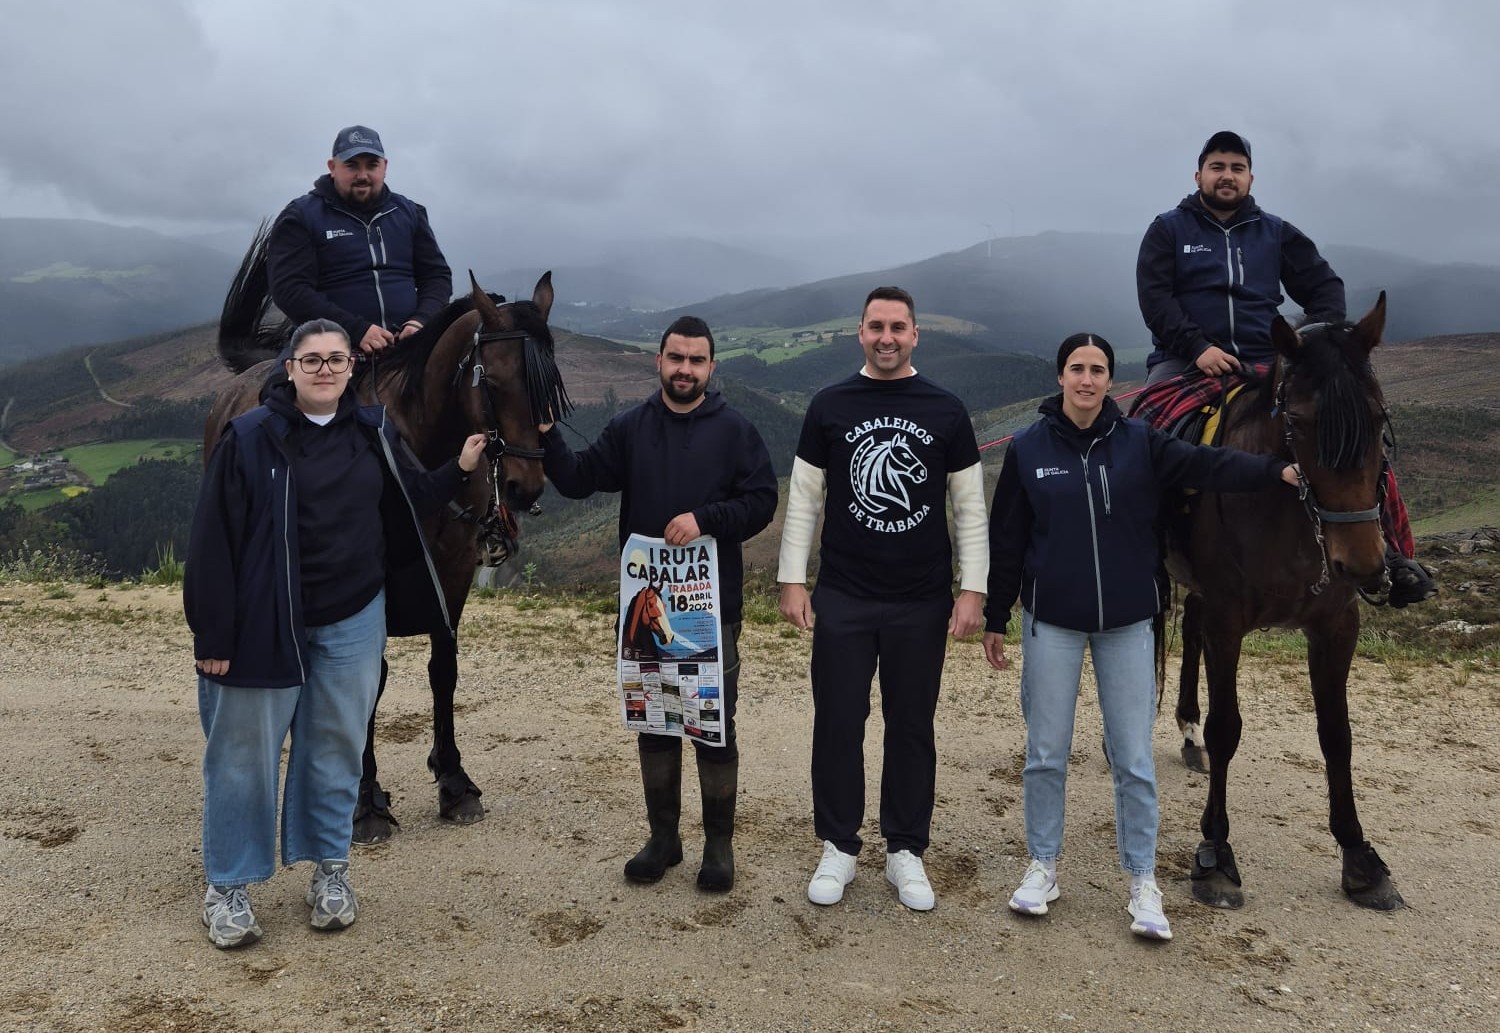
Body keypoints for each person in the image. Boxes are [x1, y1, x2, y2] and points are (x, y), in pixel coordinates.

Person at [983, 333, 1303, 941]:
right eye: (1076, 368)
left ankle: (1142, 881)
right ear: (1060, 378)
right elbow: (1009, 540)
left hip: (1129, 624)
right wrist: (997, 616)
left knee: (1133, 759)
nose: (1086, 378)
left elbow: (1211, 465)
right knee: (1046, 754)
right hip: (1051, 621)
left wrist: (1275, 470)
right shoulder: (1027, 449)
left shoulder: (1141, 442)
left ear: (1111, 379)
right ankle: (1043, 867)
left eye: (1097, 368)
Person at [185, 319, 487, 949]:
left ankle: (330, 873)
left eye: (337, 359)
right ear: (288, 370)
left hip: (352, 620)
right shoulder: (248, 439)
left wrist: (459, 467)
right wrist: (212, 636)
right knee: (242, 757)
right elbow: (211, 543)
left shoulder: (373, 433)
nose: (325, 370)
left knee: (336, 749)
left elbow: (411, 499)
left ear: (352, 368)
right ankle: (228, 887)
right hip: (261, 621)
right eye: (312, 359)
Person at [1136, 129, 1434, 606]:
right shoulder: (1169, 229)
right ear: (1199, 176)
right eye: (1217, 167)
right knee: (1145, 435)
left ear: (1251, 177)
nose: (1227, 176)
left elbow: (1324, 285)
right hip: (1186, 362)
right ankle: (1146, 554)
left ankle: (1394, 553)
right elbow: (1155, 299)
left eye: (1236, 168)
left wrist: (1316, 343)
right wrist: (1196, 348)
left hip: (1266, 359)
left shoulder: (1275, 232)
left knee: (1356, 424)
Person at [540, 315, 777, 893]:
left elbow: (763, 501)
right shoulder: (630, 427)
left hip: (710, 607)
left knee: (712, 725)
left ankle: (718, 846)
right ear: (660, 361)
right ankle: (664, 838)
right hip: (642, 609)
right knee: (655, 719)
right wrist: (546, 434)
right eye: (676, 359)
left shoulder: (735, 430)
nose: (685, 370)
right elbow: (577, 480)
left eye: (697, 361)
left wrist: (706, 520)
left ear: (711, 367)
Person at [777, 286, 988, 913]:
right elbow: (806, 501)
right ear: (860, 333)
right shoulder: (829, 404)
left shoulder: (946, 410)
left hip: (922, 600)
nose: (887, 336)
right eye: (876, 326)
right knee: (838, 722)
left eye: (898, 326)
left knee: (912, 727)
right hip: (842, 594)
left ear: (916, 334)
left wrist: (971, 589)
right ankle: (839, 845)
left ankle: (905, 851)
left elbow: (970, 509)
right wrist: (793, 578)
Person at [267, 126, 453, 355]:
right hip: (329, 347)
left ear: (385, 167)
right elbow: (290, 289)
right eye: (352, 165)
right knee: (279, 389)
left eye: (372, 165)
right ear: (332, 167)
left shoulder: (409, 212)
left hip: (410, 345)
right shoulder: (301, 216)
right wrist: (355, 330)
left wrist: (420, 321)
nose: (362, 175)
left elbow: (436, 276)